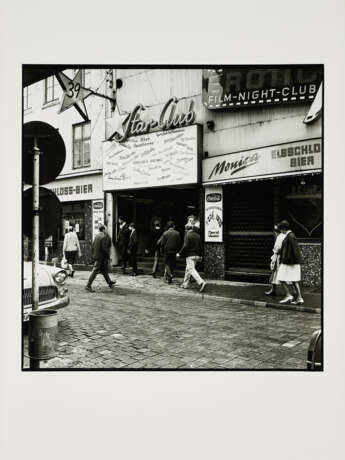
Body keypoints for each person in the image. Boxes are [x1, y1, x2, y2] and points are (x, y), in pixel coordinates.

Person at [276, 220, 304, 305]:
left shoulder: (290, 236)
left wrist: (288, 260)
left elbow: (294, 250)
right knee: (293, 280)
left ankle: (290, 296)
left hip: (289, 262)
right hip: (291, 262)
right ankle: (298, 297)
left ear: (284, 228)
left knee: (281, 278)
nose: (280, 231)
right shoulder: (290, 235)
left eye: (281, 229)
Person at [85, 225, 116, 292]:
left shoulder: (96, 236)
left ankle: (109, 282)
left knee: (104, 271)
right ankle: (88, 285)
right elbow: (104, 249)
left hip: (97, 256)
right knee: (95, 271)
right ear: (103, 229)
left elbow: (92, 246)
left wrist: (93, 255)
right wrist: (108, 256)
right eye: (106, 229)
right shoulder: (103, 237)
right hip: (100, 257)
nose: (107, 230)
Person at [178, 224, 206, 293]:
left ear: (186, 229)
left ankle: (201, 282)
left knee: (191, 270)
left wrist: (179, 253)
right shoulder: (198, 236)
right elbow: (201, 247)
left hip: (190, 255)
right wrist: (201, 256)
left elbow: (185, 246)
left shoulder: (188, 235)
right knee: (188, 269)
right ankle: (185, 284)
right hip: (196, 256)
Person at [265, 224, 287, 296]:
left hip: (279, 257)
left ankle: (288, 293)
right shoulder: (285, 236)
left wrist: (275, 256)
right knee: (276, 274)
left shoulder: (279, 237)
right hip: (283, 257)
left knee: (276, 273)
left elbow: (276, 248)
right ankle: (273, 290)